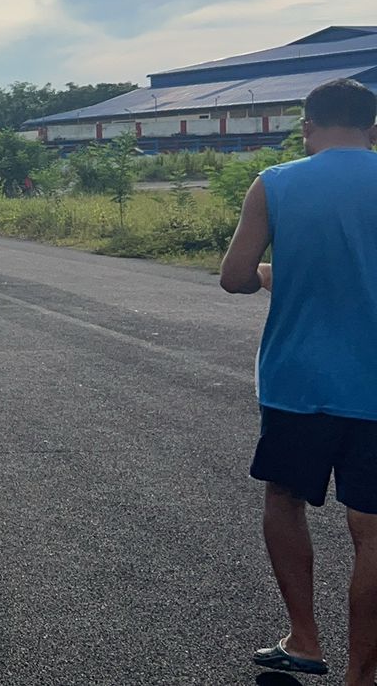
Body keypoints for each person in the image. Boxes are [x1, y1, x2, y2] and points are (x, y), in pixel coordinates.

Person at [220, 78, 377, 685]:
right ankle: (361, 676)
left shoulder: (277, 182)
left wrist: (269, 273)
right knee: (371, 528)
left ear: (307, 127)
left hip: (297, 384)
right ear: (374, 128)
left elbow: (234, 277)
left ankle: (304, 640)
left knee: (285, 500)